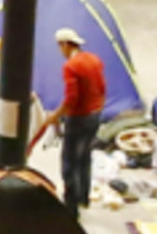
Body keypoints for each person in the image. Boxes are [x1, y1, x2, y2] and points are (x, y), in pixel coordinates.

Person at [33, 29, 106, 223]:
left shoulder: (71, 66)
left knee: (69, 161)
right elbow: (102, 88)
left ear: (65, 44)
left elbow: (71, 98)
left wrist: (55, 116)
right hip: (95, 114)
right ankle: (84, 196)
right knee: (85, 157)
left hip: (78, 117)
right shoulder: (94, 60)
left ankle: (71, 206)